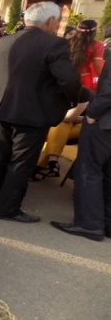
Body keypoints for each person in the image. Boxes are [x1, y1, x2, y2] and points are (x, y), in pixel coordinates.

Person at [0, 2, 81, 223]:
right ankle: (7, 208)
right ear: (51, 21)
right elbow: (69, 79)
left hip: (3, 107)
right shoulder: (55, 44)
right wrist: (70, 100)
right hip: (33, 112)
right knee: (22, 161)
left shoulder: (4, 41)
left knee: (1, 156)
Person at [50, 56, 111, 241]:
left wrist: (92, 113)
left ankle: (89, 224)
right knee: (108, 174)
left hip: (104, 122)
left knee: (89, 172)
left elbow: (108, 88)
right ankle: (106, 223)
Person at [31, 87, 92, 181]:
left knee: (61, 123)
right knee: (61, 124)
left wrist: (75, 119)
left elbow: (71, 118)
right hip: (67, 125)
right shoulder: (54, 93)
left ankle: (44, 166)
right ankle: (52, 163)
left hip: (88, 127)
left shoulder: (84, 94)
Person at [69, 19, 105, 92]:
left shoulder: (69, 41)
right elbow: (98, 65)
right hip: (85, 79)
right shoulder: (96, 45)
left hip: (67, 76)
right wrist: (104, 79)